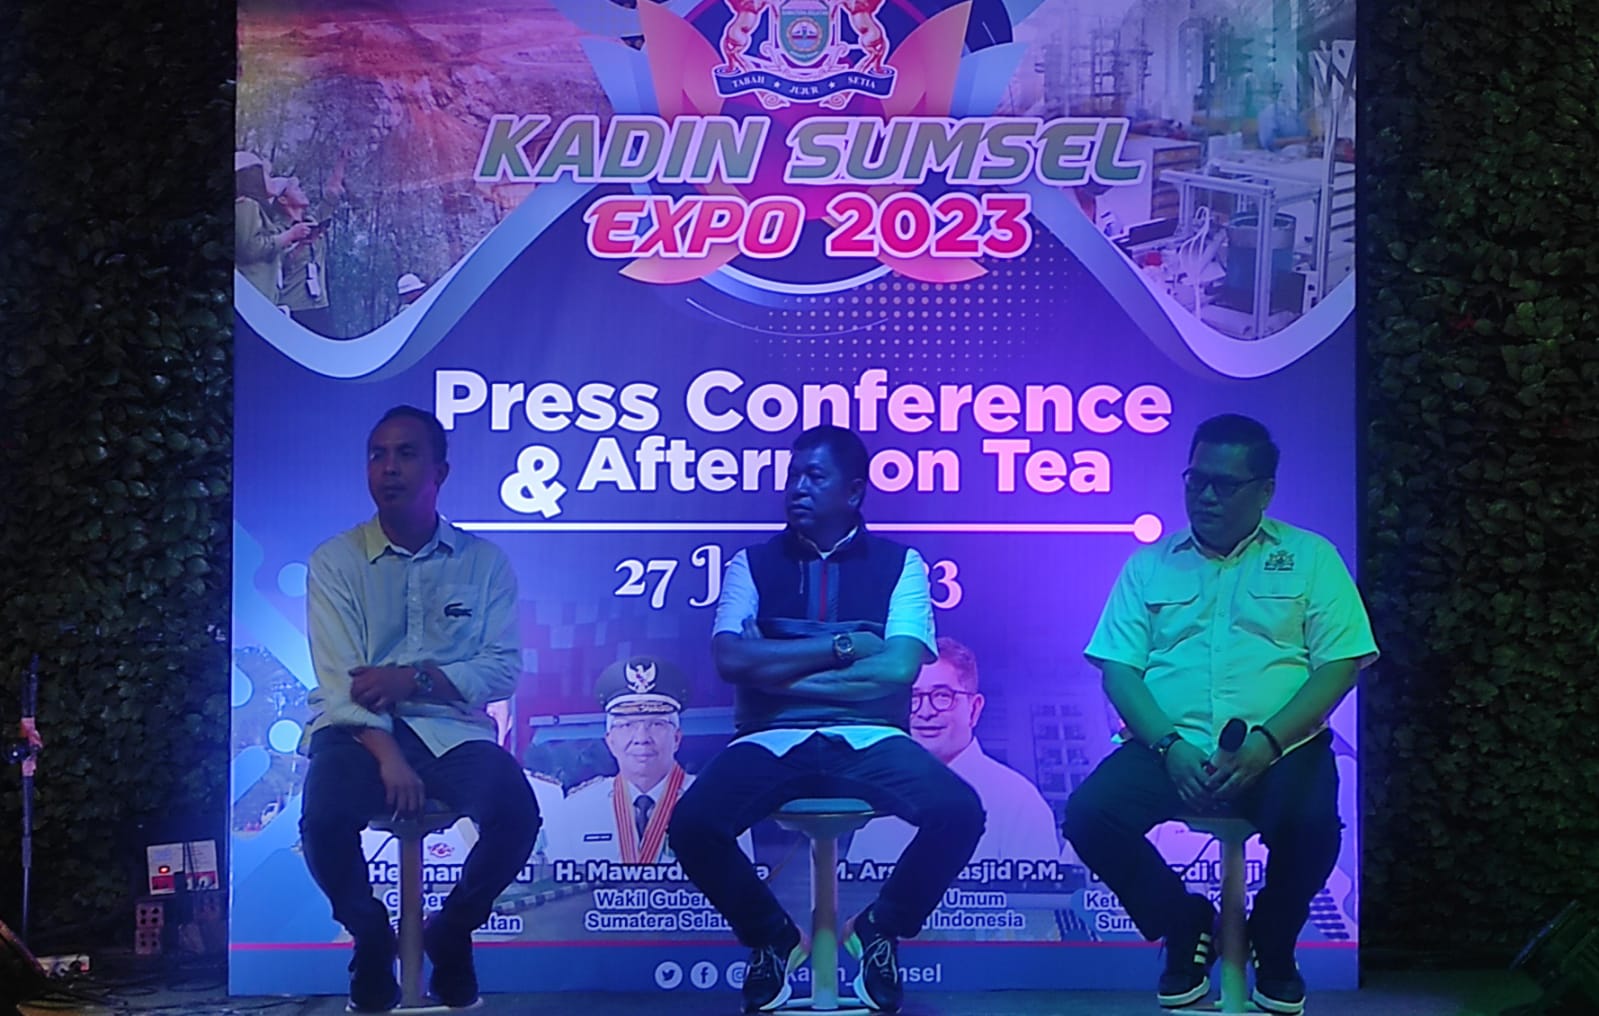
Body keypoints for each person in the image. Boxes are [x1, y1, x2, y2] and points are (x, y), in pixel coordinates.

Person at [1063, 413, 1377, 1015]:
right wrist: (1168, 746)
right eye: (1196, 479)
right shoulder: (1150, 565)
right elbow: (1119, 670)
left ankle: (1274, 940)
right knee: (1089, 815)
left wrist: (1268, 742)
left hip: (1281, 747)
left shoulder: (1311, 558)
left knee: (1314, 827)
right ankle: (1183, 923)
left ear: (1265, 491)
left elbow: (1339, 665)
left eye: (1225, 484)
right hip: (1168, 746)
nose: (1206, 495)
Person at [667, 425, 985, 1014]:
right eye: (792, 477)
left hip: (873, 738)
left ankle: (881, 928)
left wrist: (776, 670)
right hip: (768, 738)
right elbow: (730, 660)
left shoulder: (901, 564)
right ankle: (771, 937)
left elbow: (898, 669)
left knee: (959, 812)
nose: (796, 489)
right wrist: (844, 646)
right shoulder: (750, 564)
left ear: (854, 491)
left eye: (814, 477)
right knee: (691, 825)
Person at [298, 405, 540, 1012]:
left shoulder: (484, 563)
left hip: (451, 731)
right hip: (356, 734)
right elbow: (341, 679)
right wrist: (389, 757)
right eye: (377, 455)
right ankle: (370, 936)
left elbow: (502, 670)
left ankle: (451, 931)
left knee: (516, 813)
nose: (389, 468)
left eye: (406, 454)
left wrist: (413, 679)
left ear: (441, 472)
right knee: (323, 818)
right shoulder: (335, 561)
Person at [847, 636, 1059, 863]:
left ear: (974, 709)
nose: (925, 712)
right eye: (913, 697)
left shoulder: (1019, 802)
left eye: (942, 696)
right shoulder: (881, 799)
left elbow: (1041, 886)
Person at [548, 656, 751, 863]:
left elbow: (742, 880)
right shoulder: (577, 807)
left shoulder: (717, 804)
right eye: (627, 725)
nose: (642, 738)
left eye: (656, 724)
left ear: (676, 738)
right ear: (610, 741)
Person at [234, 151, 311, 303]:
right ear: (253, 177)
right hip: (254, 294)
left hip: (263, 295)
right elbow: (249, 248)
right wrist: (289, 235)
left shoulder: (258, 208)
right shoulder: (246, 204)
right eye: (267, 175)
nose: (272, 180)